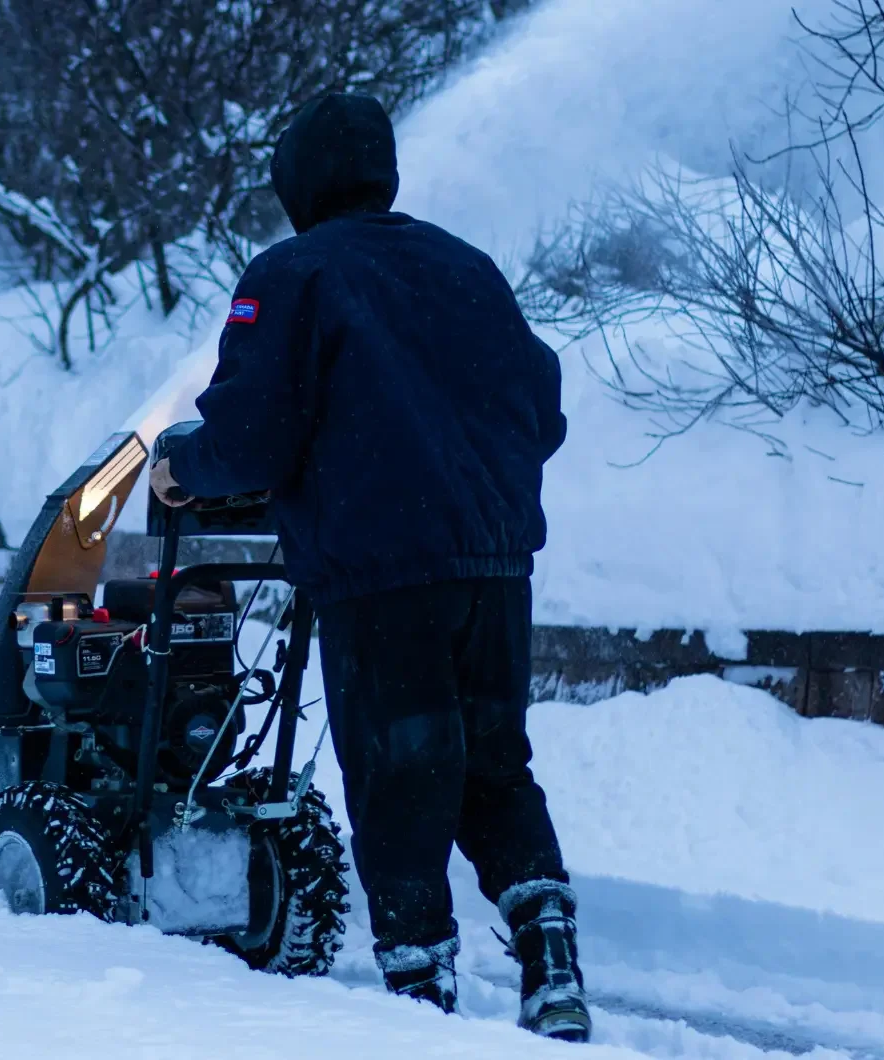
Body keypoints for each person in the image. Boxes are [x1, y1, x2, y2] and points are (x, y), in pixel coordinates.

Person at [149, 93, 588, 1041]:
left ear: (298, 183)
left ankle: (421, 1005)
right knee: (494, 767)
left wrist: (183, 462)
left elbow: (256, 434)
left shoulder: (294, 273)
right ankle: (550, 958)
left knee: (399, 781)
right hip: (496, 570)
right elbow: (542, 414)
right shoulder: (467, 269)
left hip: (385, 577)